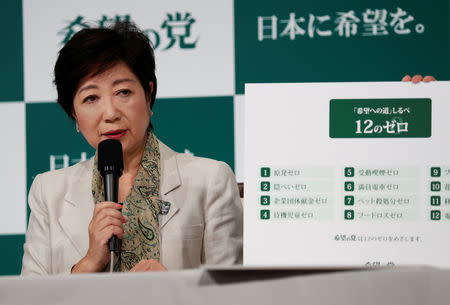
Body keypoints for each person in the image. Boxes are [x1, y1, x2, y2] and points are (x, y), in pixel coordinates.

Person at [21, 21, 243, 275]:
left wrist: (175, 289)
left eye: (123, 92)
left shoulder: (210, 180)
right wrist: (88, 263)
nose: (110, 113)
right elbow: (30, 296)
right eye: (91, 98)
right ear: (73, 112)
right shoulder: (49, 192)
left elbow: (232, 295)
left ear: (148, 95)